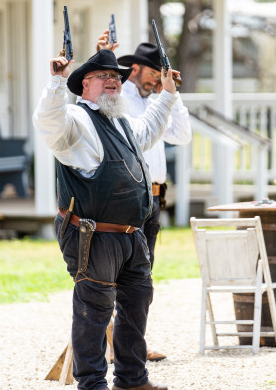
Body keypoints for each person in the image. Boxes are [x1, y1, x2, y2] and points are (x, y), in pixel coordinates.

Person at [33, 48, 176, 390]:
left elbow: (149, 131)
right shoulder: (76, 121)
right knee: (94, 311)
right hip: (92, 233)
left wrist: (167, 93)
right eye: (103, 77)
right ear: (84, 85)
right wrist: (55, 80)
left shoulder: (121, 122)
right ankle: (92, 384)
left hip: (130, 234)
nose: (113, 81)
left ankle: (131, 380)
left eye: (116, 77)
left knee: (137, 304)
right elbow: (48, 121)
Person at [98, 33, 192, 363]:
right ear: (135, 69)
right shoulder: (118, 99)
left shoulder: (156, 101)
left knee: (142, 277)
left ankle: (132, 344)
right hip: (126, 197)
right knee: (115, 274)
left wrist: (171, 94)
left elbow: (182, 135)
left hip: (154, 198)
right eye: (154, 73)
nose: (156, 79)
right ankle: (113, 343)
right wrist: (104, 56)